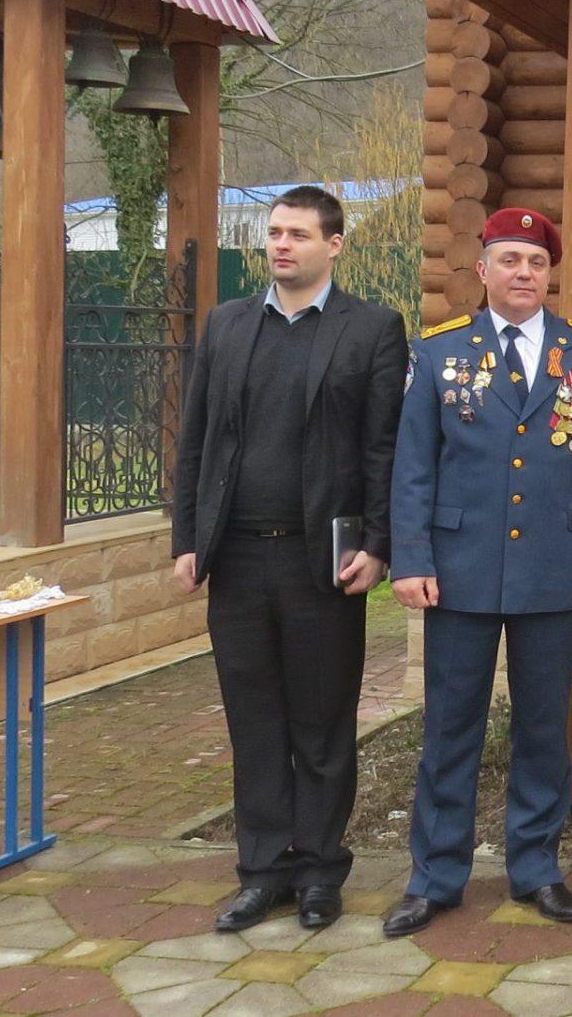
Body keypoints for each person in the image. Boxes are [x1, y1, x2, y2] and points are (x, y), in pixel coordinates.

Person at [171, 186, 407, 932]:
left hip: (323, 563)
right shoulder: (228, 324)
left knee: (322, 722)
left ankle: (319, 872)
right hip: (237, 560)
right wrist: (186, 540)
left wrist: (379, 546)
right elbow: (197, 441)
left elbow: (383, 448)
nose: (281, 245)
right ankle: (262, 869)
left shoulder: (371, 330)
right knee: (254, 722)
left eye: (299, 234)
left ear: (334, 245)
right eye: (274, 232)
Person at [385, 208, 572, 936]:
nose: (523, 272)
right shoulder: (438, 354)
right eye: (509, 259)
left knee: (544, 728)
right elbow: (414, 467)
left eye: (535, 262)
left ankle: (536, 867)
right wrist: (412, 557)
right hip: (457, 571)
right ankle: (435, 876)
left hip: (554, 567)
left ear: (549, 275)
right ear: (482, 270)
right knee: (450, 729)